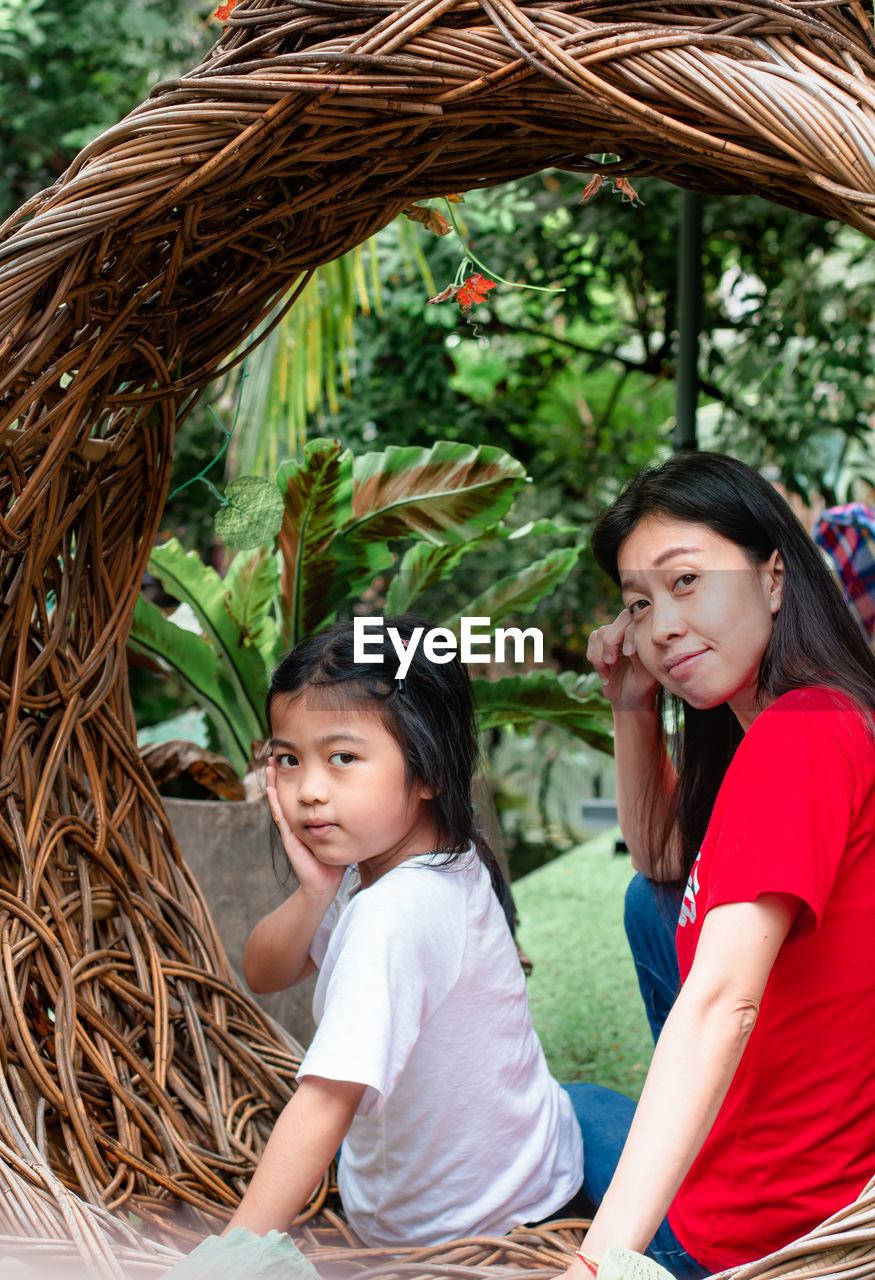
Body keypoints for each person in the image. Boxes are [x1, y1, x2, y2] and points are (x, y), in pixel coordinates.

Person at [564, 451, 875, 1280]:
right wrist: (631, 704)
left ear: (774, 576)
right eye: (638, 603)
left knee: (563, 1111)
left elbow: (718, 1007)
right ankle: (682, 1117)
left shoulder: (797, 737)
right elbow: (664, 857)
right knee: (648, 900)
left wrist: (598, 1265)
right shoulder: (806, 717)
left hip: (748, 1227)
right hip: (806, 1168)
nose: (659, 626)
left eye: (686, 580)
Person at [226, 615, 584, 1248]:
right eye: (288, 759)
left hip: (466, 1233)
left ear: (428, 771)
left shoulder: (395, 910)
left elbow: (324, 1103)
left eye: (342, 758)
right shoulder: (431, 855)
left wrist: (227, 1258)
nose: (308, 790)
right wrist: (315, 893)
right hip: (535, 1166)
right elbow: (262, 972)